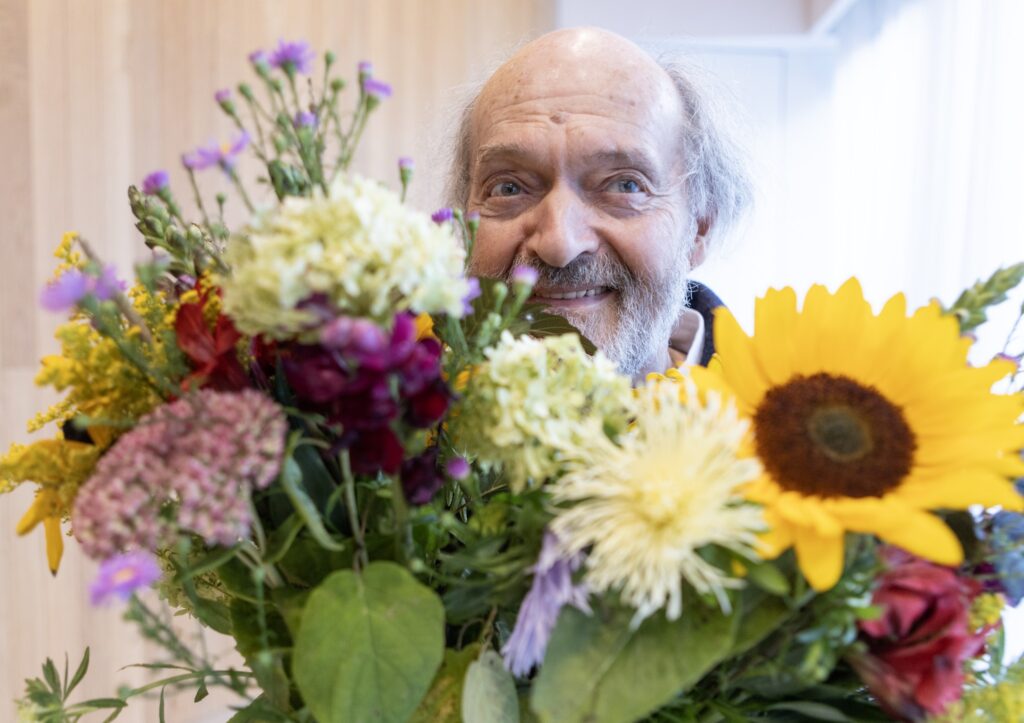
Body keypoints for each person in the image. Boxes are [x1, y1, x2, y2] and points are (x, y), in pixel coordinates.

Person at [445, 27, 751, 379]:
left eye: (625, 185)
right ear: (460, 222)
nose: (560, 245)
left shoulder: (783, 426)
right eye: (509, 188)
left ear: (699, 228)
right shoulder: (395, 419)